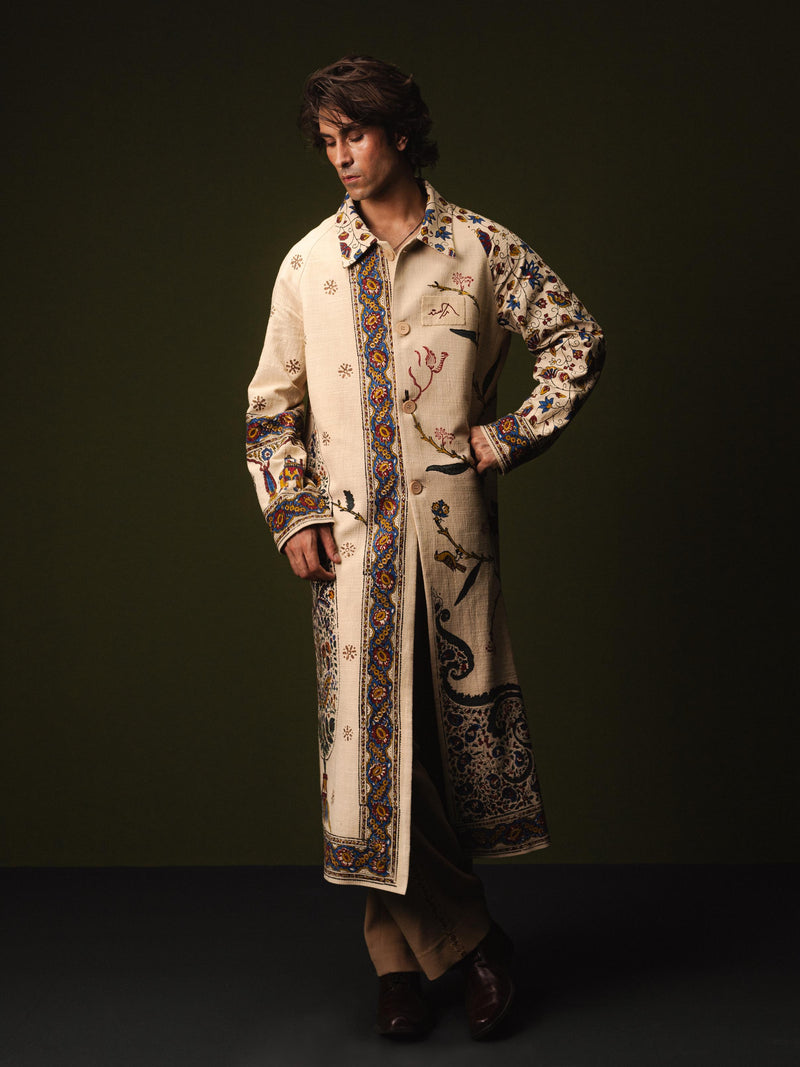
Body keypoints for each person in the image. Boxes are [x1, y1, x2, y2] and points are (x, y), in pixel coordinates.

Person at [245, 55, 605, 1040]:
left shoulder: (480, 248)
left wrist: (504, 435)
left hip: (453, 547)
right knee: (374, 758)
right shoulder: (308, 265)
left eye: (353, 135)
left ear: (399, 134)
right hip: (350, 553)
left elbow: (574, 339)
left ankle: (398, 964)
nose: (339, 156)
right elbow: (270, 412)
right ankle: (473, 942)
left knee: (429, 758)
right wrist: (295, 511)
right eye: (326, 141)